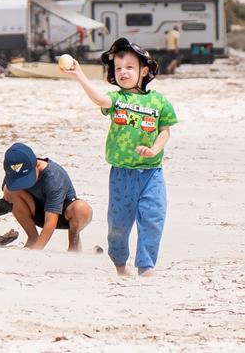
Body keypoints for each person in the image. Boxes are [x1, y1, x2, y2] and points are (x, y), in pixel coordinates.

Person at [62, 38, 177, 276]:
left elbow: (165, 131)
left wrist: (154, 150)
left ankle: (146, 266)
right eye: (118, 68)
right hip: (122, 174)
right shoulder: (117, 99)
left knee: (153, 219)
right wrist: (80, 75)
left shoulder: (159, 102)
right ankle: (120, 264)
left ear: (144, 71)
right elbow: (100, 100)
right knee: (119, 225)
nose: (123, 72)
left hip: (151, 174)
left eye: (129, 67)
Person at [0, 142, 93, 251]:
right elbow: (13, 200)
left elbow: (51, 220)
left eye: (26, 178)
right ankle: (32, 238)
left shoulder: (53, 177)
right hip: (37, 211)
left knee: (81, 209)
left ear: (36, 164)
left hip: (60, 215)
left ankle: (74, 246)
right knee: (9, 190)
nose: (24, 183)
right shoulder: (14, 171)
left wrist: (36, 251)